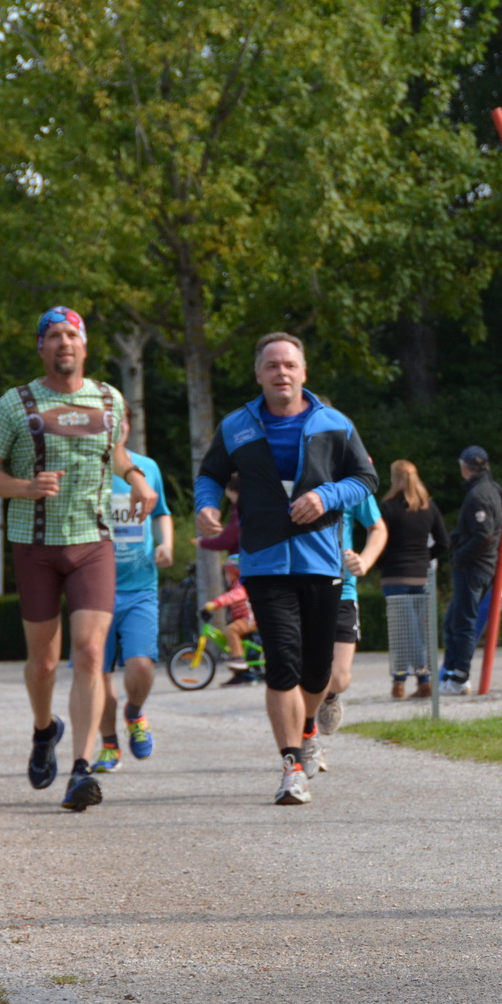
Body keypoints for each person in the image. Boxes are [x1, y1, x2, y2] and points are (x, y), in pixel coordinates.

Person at [0, 306, 156, 812]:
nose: (63, 343)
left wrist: (137, 477)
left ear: (85, 345)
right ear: (41, 347)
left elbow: (116, 453)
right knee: (45, 661)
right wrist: (25, 487)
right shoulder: (17, 404)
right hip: (34, 545)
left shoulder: (109, 398)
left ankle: (80, 769)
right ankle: (42, 729)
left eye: (71, 334)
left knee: (92, 654)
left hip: (93, 542)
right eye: (53, 336)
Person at [195, 332, 376, 806]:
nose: (281, 373)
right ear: (259, 374)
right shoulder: (237, 425)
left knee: (318, 673)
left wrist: (325, 497)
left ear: (303, 372)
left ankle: (310, 723)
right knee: (282, 664)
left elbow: (365, 478)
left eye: (289, 365)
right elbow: (211, 473)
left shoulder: (335, 424)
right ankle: (291, 764)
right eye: (272, 365)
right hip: (264, 560)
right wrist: (205, 506)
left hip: (321, 561)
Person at [94, 425, 173, 773]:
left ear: (128, 426)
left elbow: (161, 513)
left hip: (140, 585)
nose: (114, 429)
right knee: (97, 675)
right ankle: (109, 744)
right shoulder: (87, 469)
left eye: (120, 422)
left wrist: (165, 544)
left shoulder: (147, 467)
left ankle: (134, 713)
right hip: (94, 589)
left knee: (141, 665)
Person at [312, 491, 386, 749]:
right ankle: (307, 737)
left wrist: (364, 561)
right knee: (304, 672)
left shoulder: (351, 483)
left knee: (340, 677)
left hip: (342, 590)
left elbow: (378, 528)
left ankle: (330, 696)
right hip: (302, 587)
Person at [377, 459, 449, 699]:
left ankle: (402, 682)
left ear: (394, 479)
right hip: (421, 577)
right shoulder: (429, 507)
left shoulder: (386, 508)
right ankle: (422, 680)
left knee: (401, 631)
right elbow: (444, 542)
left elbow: (379, 543)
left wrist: (382, 563)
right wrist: (424, 557)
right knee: (419, 631)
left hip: (395, 576)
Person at [440, 446, 501, 696]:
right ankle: (453, 673)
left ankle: (460, 677)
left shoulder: (478, 495)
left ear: (464, 466)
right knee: (453, 620)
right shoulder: (494, 489)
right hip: (483, 565)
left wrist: (458, 556)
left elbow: (483, 535)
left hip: (474, 567)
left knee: (463, 623)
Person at [202, 558, 259, 686]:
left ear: (235, 572)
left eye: (228, 573)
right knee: (232, 641)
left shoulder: (241, 586)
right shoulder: (233, 586)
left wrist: (214, 603)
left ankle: (238, 660)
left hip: (249, 620)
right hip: (243, 620)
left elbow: (231, 597)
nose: (226, 576)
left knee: (231, 630)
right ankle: (241, 675)